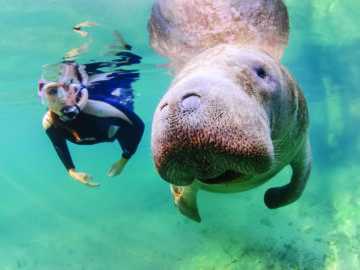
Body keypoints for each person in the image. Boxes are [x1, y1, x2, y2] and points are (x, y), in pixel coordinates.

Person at [38, 49, 144, 187]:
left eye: (66, 88)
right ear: (44, 98)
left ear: (76, 89)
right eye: (52, 91)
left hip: (116, 129)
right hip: (104, 130)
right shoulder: (49, 122)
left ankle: (124, 47)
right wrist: (72, 171)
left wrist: (124, 160)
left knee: (126, 81)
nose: (62, 98)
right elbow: (58, 144)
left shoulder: (102, 109)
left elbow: (138, 126)